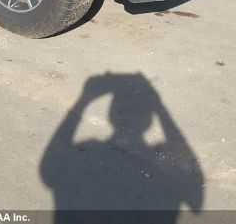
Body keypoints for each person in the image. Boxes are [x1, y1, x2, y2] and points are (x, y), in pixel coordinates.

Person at [41, 72, 203, 223]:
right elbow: (196, 201)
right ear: (148, 120)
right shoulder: (163, 167)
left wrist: (84, 99)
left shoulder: (85, 152)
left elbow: (48, 168)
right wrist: (160, 107)